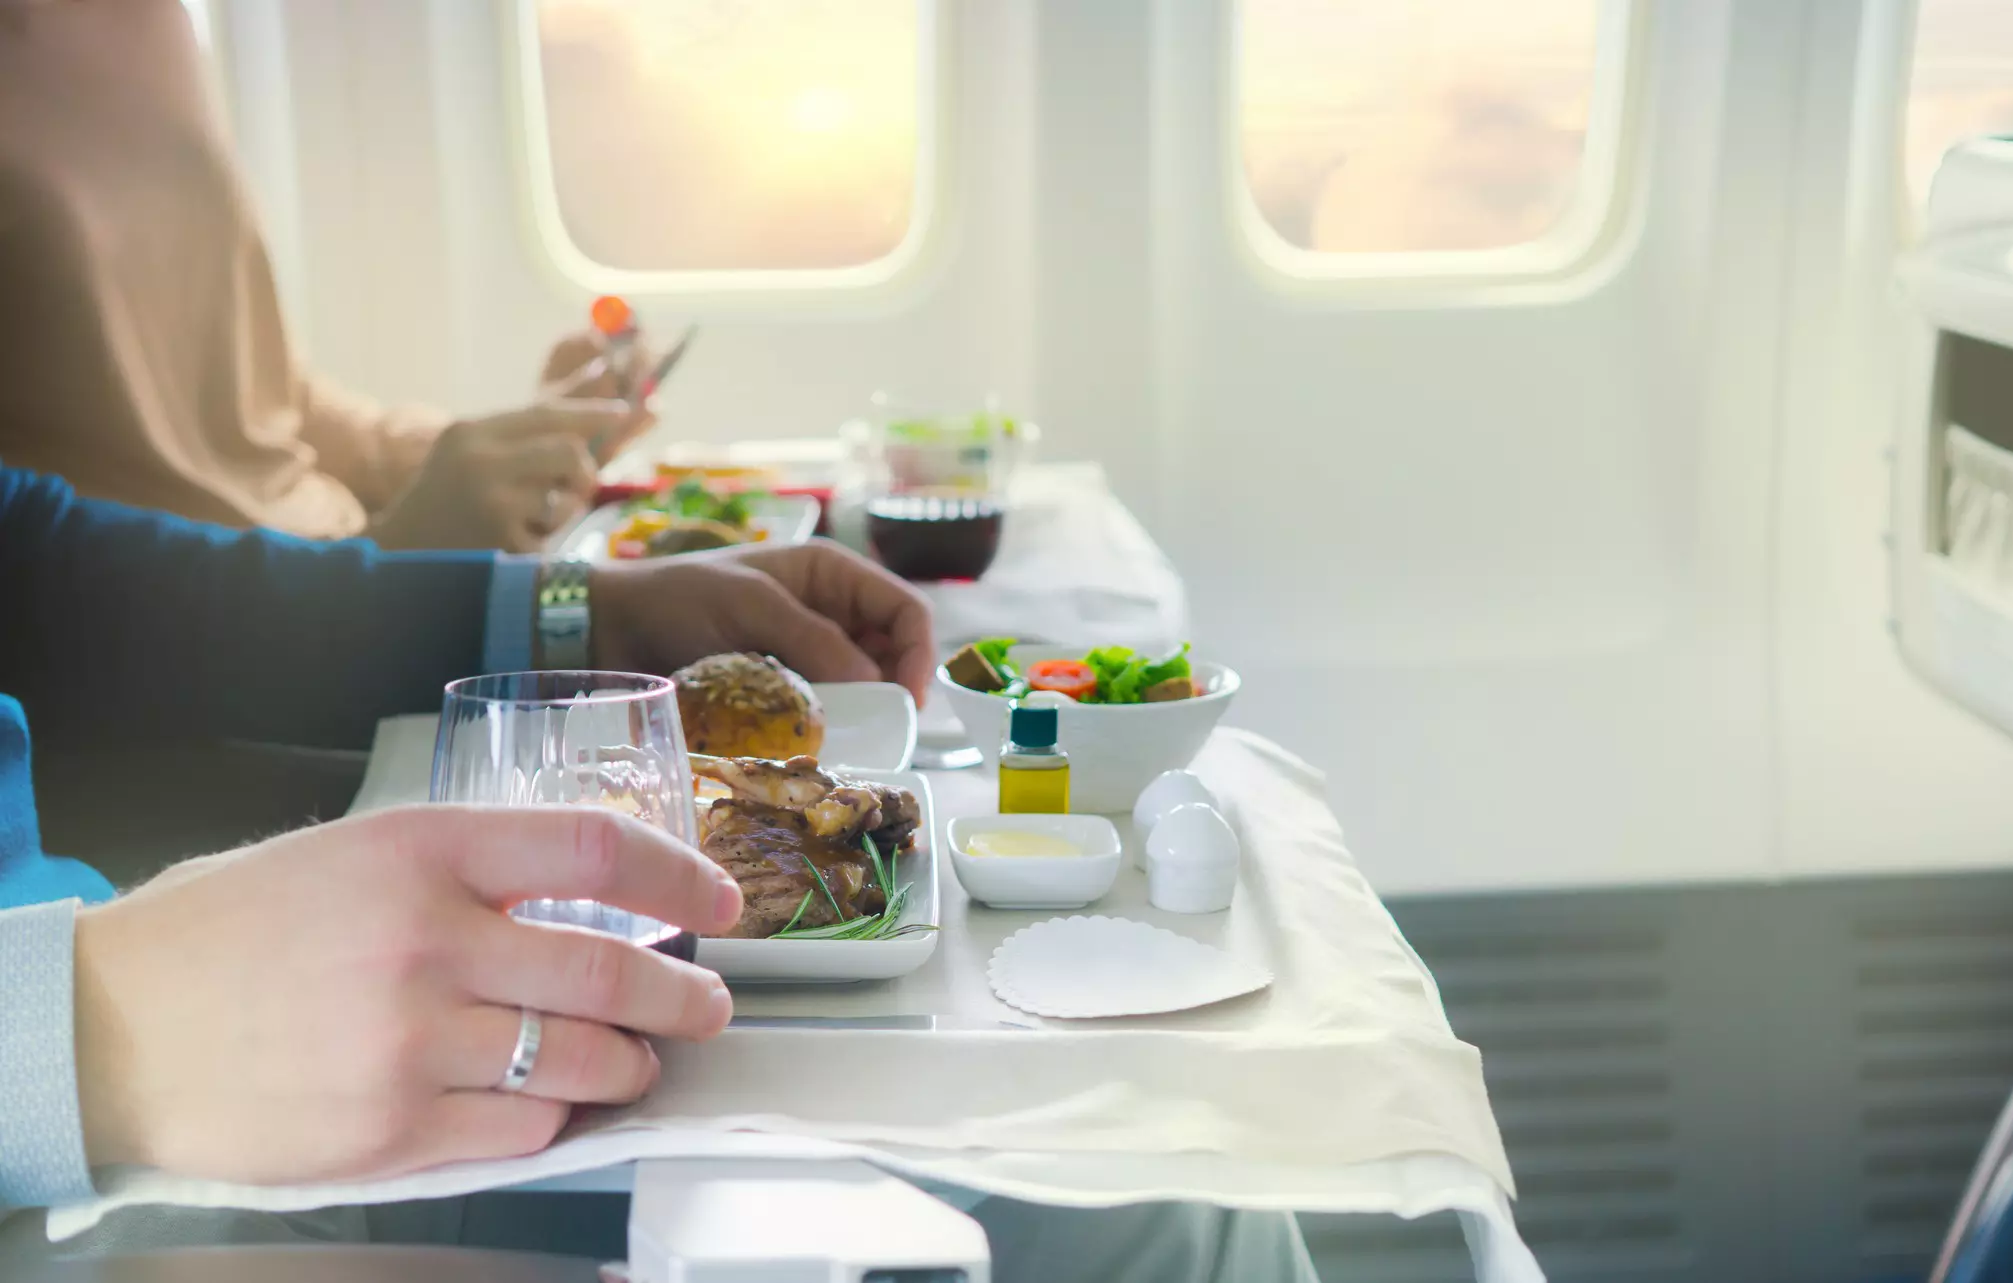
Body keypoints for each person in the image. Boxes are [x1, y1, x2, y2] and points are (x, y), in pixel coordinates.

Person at [0, 464, 1320, 1281]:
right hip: (56, 1155)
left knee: (1171, 1194)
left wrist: (583, 610)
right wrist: (81, 1030)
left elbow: (47, 571)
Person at [0, 0, 653, 553]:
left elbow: (268, 395)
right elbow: (51, 569)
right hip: (214, 621)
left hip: (334, 562)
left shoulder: (155, 19)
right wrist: (404, 548)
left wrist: (500, 451)